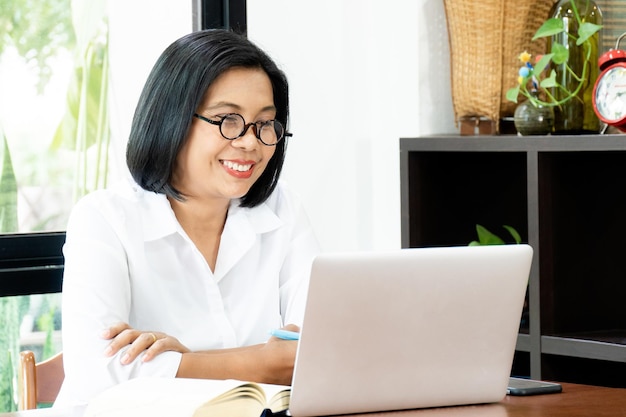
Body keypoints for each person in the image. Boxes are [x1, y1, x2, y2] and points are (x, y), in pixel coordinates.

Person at [55, 29, 320, 407]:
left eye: (265, 123)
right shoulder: (104, 219)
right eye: (228, 119)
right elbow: (98, 373)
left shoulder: (282, 208)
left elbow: (316, 348)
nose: (250, 141)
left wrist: (184, 361)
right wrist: (263, 361)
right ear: (171, 119)